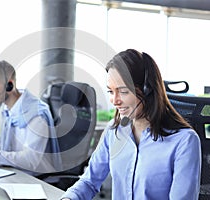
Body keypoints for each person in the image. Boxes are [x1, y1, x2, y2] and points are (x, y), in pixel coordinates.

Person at [61, 49, 201, 200]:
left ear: (147, 90)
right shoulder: (114, 131)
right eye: (110, 92)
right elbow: (89, 181)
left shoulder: (184, 141)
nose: (114, 100)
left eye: (123, 92)